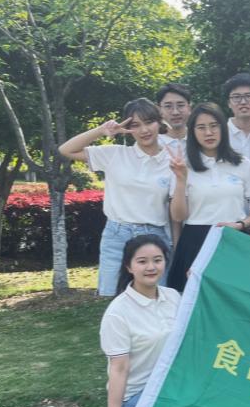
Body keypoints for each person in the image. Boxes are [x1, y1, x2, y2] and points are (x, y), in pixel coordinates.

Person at [59, 97, 172, 297]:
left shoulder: (172, 159)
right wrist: (101, 130)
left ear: (159, 122)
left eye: (149, 122)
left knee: (153, 298)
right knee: (115, 298)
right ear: (127, 128)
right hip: (117, 234)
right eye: (135, 125)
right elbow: (66, 149)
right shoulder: (115, 154)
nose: (144, 130)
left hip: (154, 236)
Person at [100, 234, 180, 407]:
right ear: (129, 266)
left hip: (172, 387)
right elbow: (119, 370)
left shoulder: (173, 297)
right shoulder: (118, 313)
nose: (151, 267)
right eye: (142, 261)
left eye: (157, 260)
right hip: (138, 396)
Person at [167, 102, 250, 291]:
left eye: (214, 126)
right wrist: (181, 180)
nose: (208, 132)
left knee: (235, 298)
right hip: (195, 242)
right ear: (192, 132)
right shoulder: (183, 166)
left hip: (234, 238)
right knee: (196, 299)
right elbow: (177, 216)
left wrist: (241, 225)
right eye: (201, 127)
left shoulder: (243, 164)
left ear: (223, 128)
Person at [157, 83, 192, 150]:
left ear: (189, 108)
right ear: (159, 110)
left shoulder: (200, 140)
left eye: (180, 105)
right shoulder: (153, 144)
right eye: (168, 106)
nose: (175, 112)